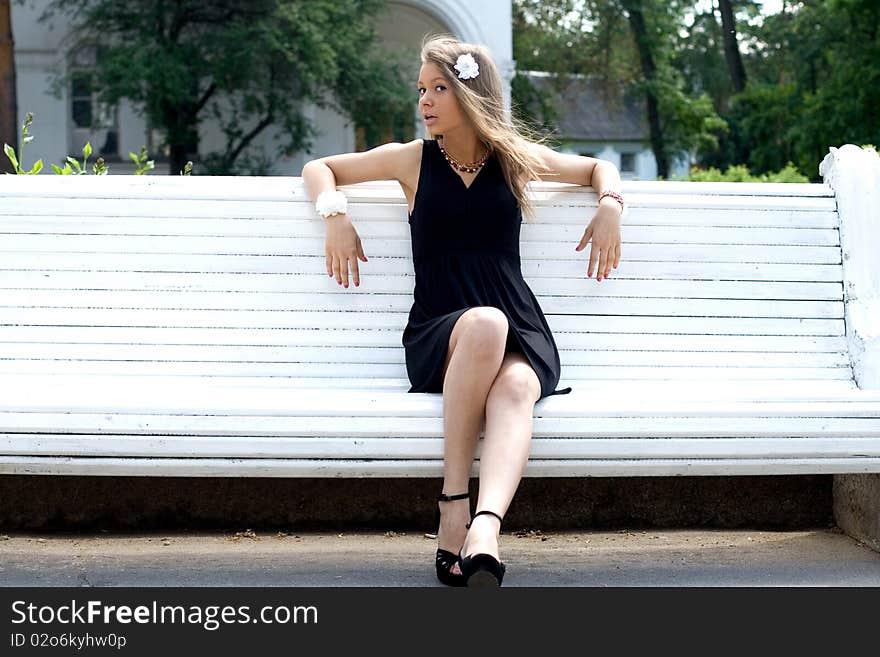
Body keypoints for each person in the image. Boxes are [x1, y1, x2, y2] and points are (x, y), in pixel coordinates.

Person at [301, 34, 624, 587]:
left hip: (517, 323)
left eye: (439, 88)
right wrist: (334, 215)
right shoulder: (412, 159)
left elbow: (597, 168)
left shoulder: (515, 160)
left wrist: (610, 206)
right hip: (440, 330)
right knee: (484, 323)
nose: (424, 101)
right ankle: (454, 502)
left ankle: (485, 530)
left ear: (471, 93)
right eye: (421, 89)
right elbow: (320, 167)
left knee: (520, 386)